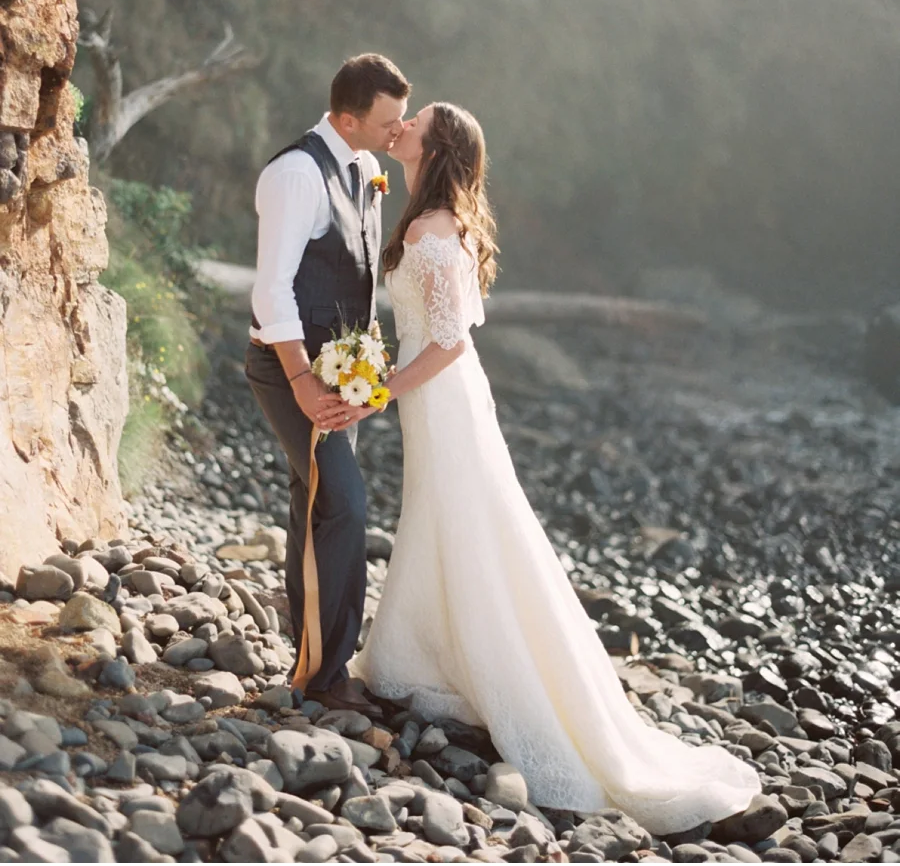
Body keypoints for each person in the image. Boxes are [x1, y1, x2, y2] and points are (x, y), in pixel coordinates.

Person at [318, 102, 761, 833]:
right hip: (439, 398)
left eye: (416, 121)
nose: (404, 124)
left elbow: (450, 341)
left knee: (466, 520)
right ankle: (425, 652)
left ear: (438, 146)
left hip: (443, 397)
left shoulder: (434, 231)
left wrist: (377, 392)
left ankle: (487, 675)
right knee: (438, 516)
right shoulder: (425, 219)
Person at [245, 53, 409, 716]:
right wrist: (304, 381)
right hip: (293, 371)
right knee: (344, 504)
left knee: (316, 502)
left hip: (342, 374)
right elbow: (270, 288)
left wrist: (363, 370)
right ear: (347, 117)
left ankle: (312, 662)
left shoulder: (366, 168)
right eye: (389, 121)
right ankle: (326, 670)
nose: (397, 132)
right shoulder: (294, 174)